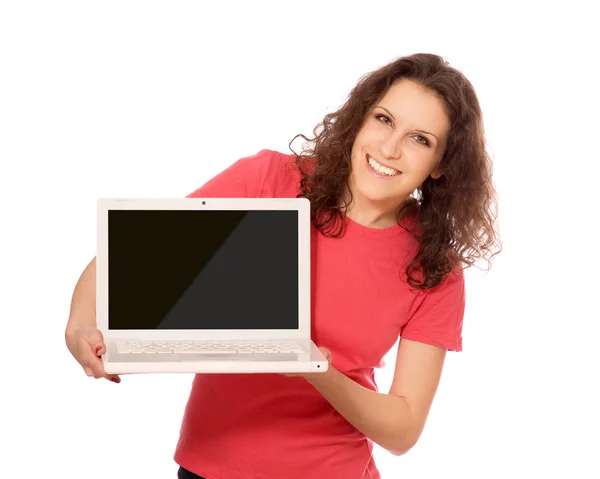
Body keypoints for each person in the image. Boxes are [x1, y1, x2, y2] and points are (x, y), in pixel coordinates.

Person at [65, 53, 501, 479]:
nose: (389, 148)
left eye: (419, 139)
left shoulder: (435, 265)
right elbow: (132, 259)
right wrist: (81, 322)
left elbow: (404, 428)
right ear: (360, 119)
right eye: (384, 120)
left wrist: (317, 369)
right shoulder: (271, 182)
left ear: (442, 164)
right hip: (209, 464)